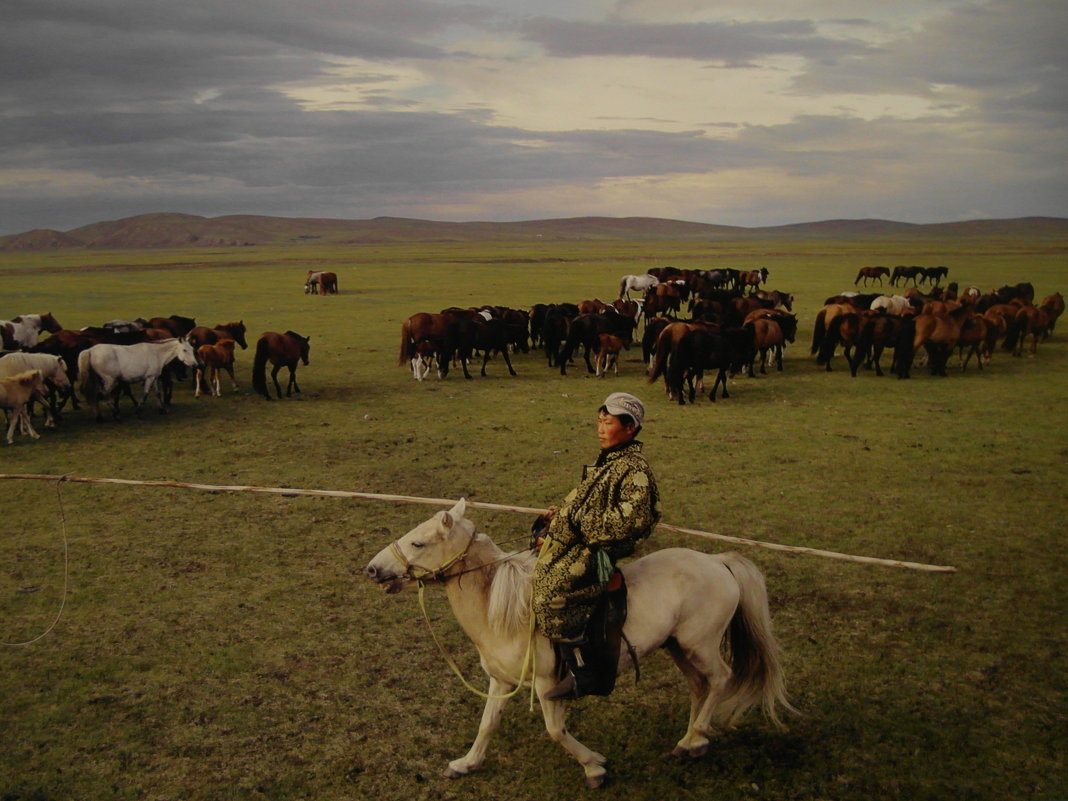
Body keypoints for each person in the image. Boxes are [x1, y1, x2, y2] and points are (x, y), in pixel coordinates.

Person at [531, 392, 661, 700]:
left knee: (552, 593)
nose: (601, 429)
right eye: (599, 422)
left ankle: (585, 670)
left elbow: (626, 521)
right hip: (582, 538)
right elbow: (580, 502)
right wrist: (557, 515)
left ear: (630, 428)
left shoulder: (635, 470)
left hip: (598, 549)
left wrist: (574, 519)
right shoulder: (607, 463)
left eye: (608, 423)